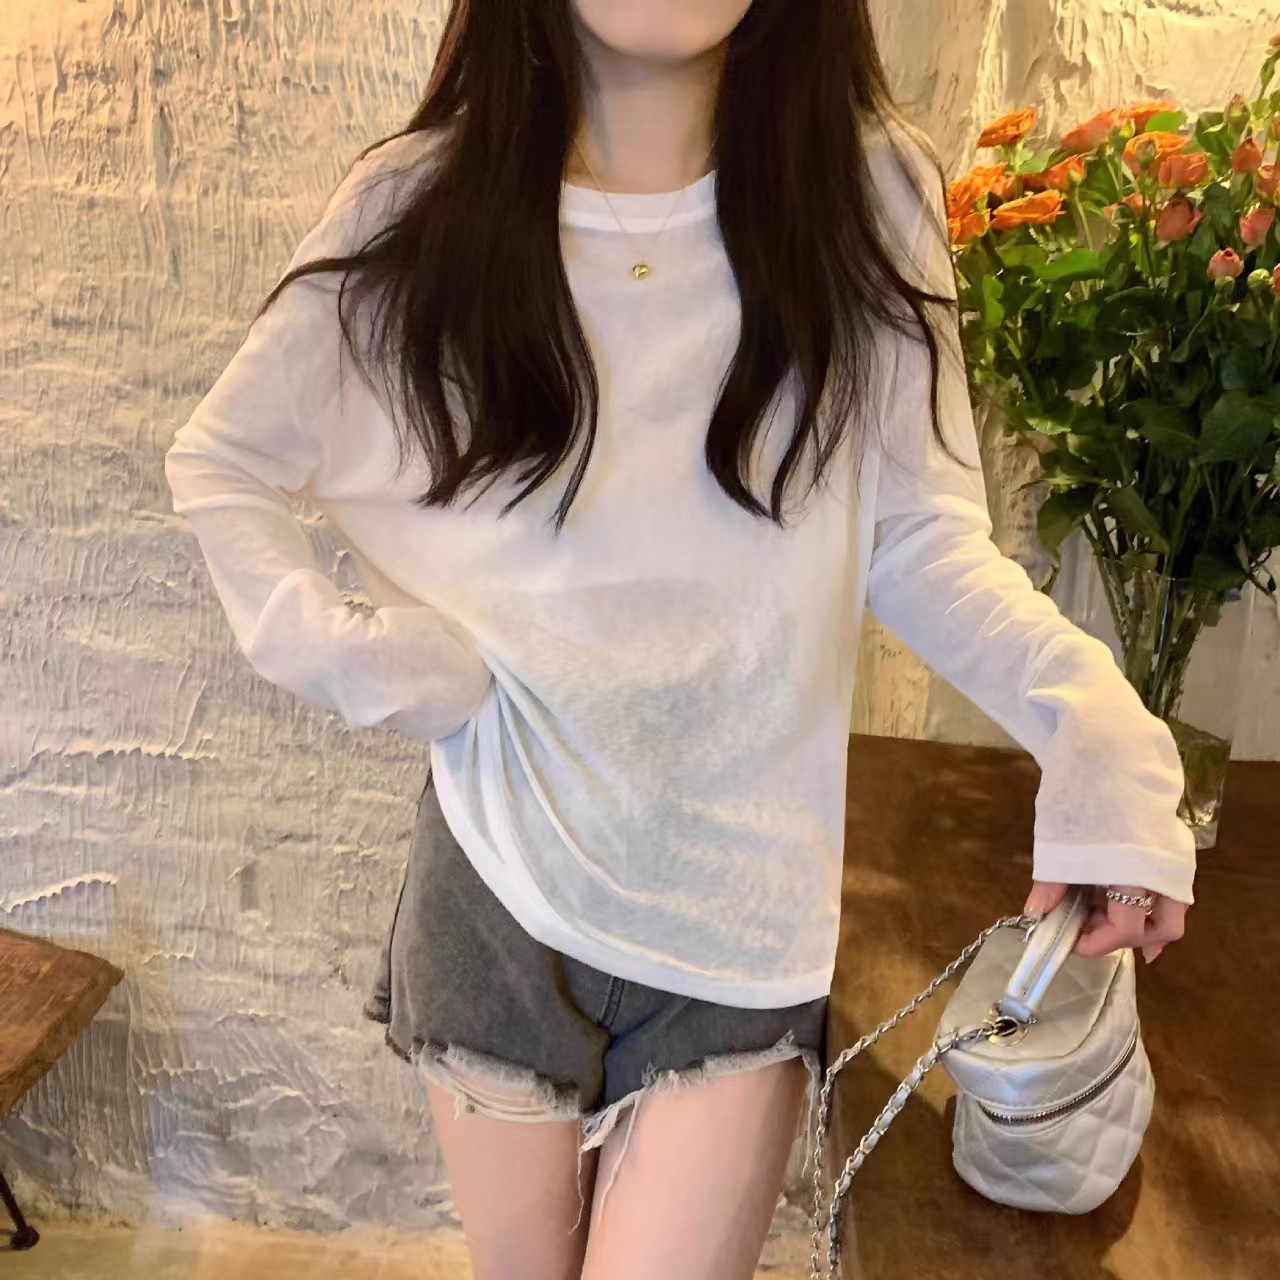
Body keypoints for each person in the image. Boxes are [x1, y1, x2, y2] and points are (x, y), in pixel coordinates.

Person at [163, 2, 1196, 1276]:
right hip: (499, 875)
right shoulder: (419, 199)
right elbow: (224, 461)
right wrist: (361, 654)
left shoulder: (866, 191)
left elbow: (918, 536)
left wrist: (1094, 727)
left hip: (737, 899)